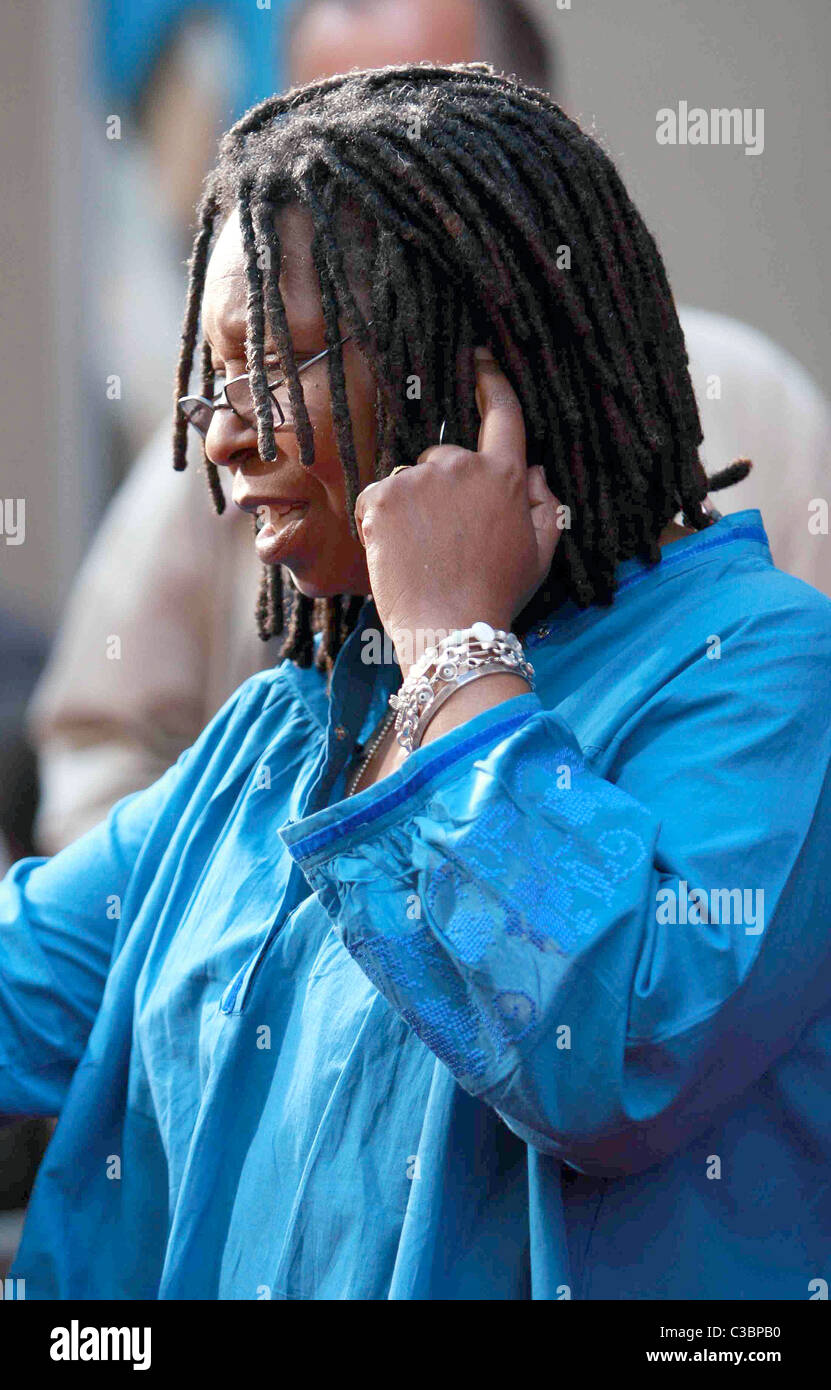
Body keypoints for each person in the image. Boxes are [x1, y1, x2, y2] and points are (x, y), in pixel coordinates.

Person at [3, 65, 830, 1300]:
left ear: (475, 369)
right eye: (213, 382)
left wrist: (452, 645)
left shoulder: (766, 676)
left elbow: (601, 1050)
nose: (223, 437)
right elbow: (24, 989)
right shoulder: (283, 731)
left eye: (271, 367)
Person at [27, 0, 831, 858]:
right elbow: (100, 761)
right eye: (315, 107)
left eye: (412, 110)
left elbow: (596, 976)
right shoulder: (290, 715)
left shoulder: (748, 650)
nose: (336, 154)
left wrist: (450, 649)